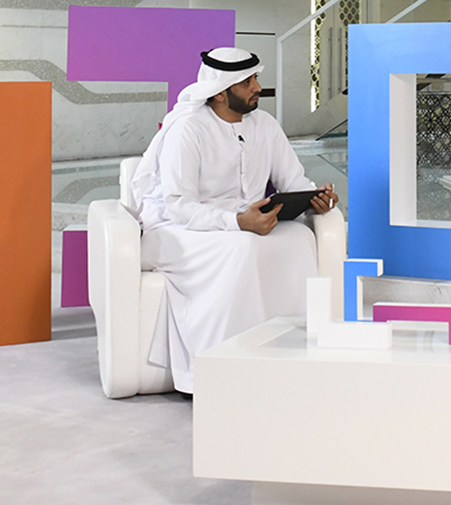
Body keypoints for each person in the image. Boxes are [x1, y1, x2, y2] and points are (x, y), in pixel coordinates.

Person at [128, 47, 339, 394]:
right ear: (220, 92)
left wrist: (315, 198)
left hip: (245, 224)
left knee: (300, 239)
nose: (257, 87)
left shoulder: (265, 125)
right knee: (242, 248)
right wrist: (237, 222)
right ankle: (219, 376)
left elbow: (293, 182)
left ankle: (292, 362)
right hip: (176, 229)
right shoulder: (189, 129)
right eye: (247, 82)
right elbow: (179, 206)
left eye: (255, 78)